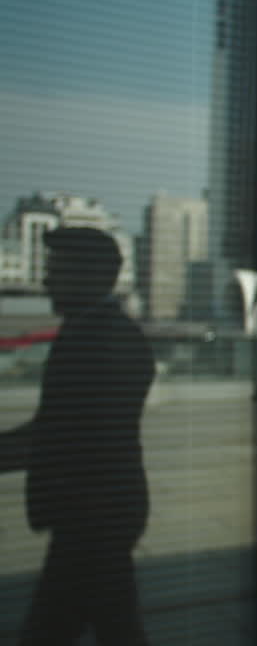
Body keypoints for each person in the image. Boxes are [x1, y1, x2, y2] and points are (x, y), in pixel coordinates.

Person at [0, 226, 155, 645]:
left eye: (57, 269)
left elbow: (60, 434)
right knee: (112, 628)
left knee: (53, 632)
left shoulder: (100, 339)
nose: (46, 280)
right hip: (96, 516)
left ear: (89, 274)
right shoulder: (98, 332)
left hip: (93, 518)